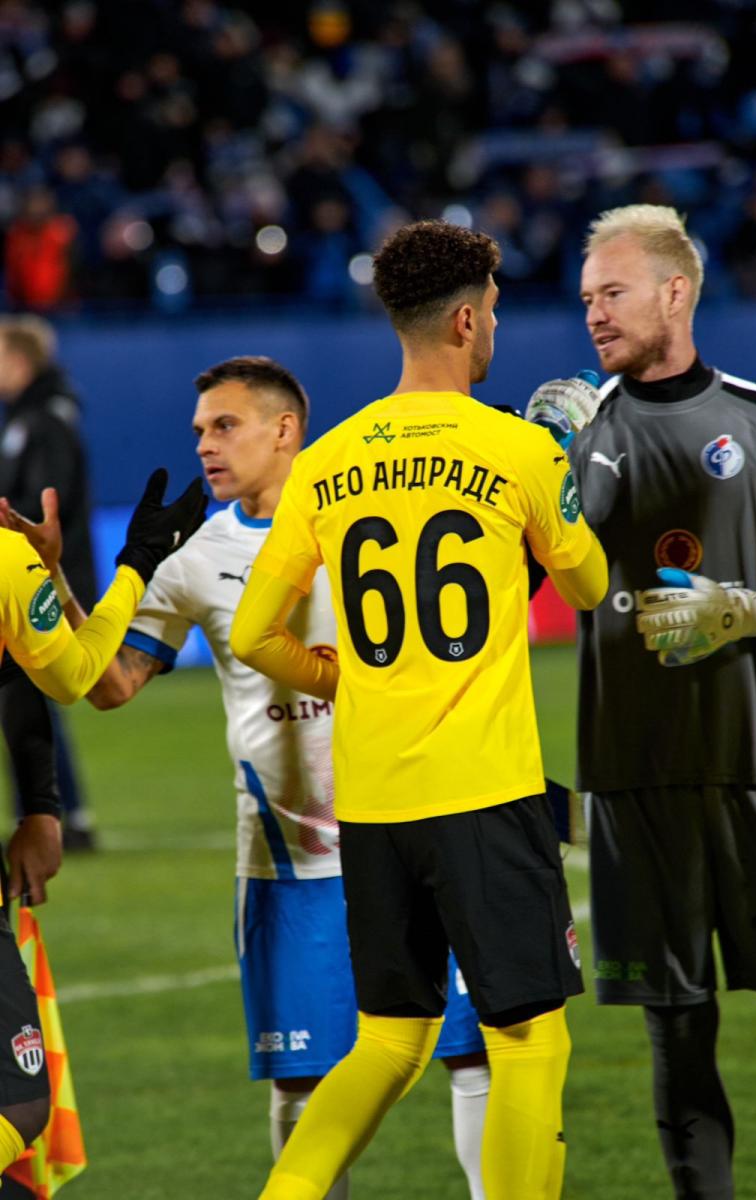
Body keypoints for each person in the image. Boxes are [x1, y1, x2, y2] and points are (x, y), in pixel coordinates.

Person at [230, 219, 608, 1200]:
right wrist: (562, 454)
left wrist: (352, 681)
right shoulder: (516, 446)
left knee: (390, 1039)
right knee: (528, 1038)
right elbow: (593, 582)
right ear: (469, 319)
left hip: (377, 802)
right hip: (487, 793)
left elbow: (253, 637)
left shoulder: (327, 460)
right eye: (495, 315)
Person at [64, 354, 493, 1200]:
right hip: (289, 863)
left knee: (472, 1052)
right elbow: (106, 684)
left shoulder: (368, 514)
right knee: (302, 1081)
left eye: (225, 426)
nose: (205, 448)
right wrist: (71, 586)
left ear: (285, 429)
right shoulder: (193, 556)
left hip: (416, 826)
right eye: (198, 432)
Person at [539, 203, 756, 1200]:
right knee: (678, 1034)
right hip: (633, 779)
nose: (595, 313)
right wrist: (535, 463)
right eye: (586, 299)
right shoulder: (574, 432)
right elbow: (504, 591)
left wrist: (753, 609)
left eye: (613, 292)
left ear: (676, 291)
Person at [0, 468, 207, 1179]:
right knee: (20, 1103)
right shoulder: (4, 561)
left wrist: (40, 805)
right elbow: (84, 673)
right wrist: (137, 563)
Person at [0, 315, 100, 848]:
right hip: (24, 576)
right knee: (23, 695)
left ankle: (57, 817)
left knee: (30, 693)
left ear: (18, 360)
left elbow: (46, 506)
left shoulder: (43, 419)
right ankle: (51, 815)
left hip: (37, 578)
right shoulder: (30, 417)